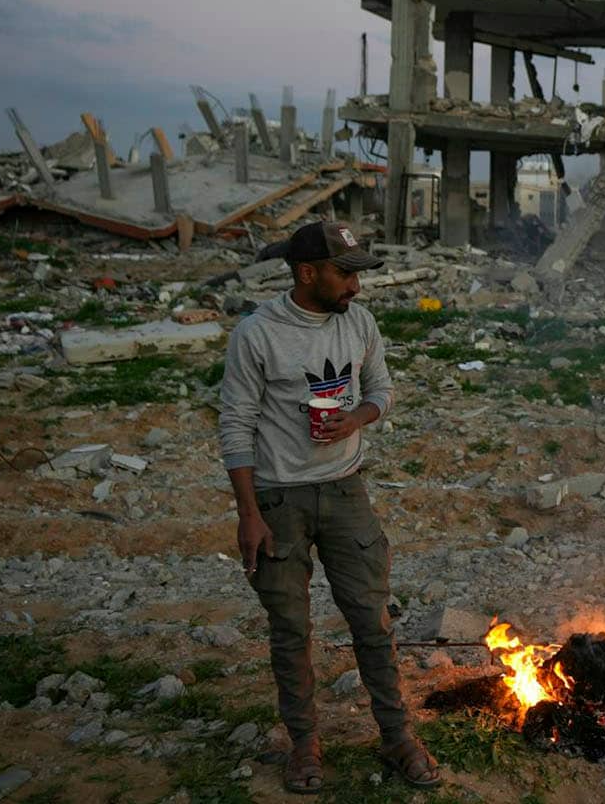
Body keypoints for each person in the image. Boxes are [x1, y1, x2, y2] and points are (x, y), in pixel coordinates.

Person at [217, 220, 439, 793]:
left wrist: (357, 418)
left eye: (358, 276)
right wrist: (248, 513)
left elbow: (382, 390)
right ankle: (304, 745)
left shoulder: (360, 323)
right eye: (345, 275)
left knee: (372, 620)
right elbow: (236, 425)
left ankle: (396, 737)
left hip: (346, 491)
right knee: (290, 629)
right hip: (277, 498)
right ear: (307, 272)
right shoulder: (257, 334)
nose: (356, 289)